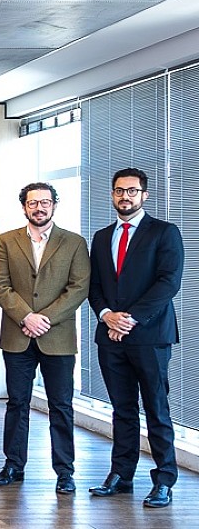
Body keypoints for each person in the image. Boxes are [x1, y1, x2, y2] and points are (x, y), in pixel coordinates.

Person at [87, 168, 183, 508]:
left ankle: (164, 481)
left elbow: (168, 283)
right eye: (119, 191)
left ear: (144, 195)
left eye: (131, 191)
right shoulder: (101, 237)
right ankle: (121, 475)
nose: (124, 196)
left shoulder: (164, 232)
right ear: (112, 194)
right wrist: (106, 315)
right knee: (122, 409)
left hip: (150, 336)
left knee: (156, 408)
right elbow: (95, 286)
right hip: (110, 338)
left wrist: (129, 319)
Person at [0, 183, 89, 494]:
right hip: (17, 335)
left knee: (61, 406)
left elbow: (79, 288)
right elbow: (0, 285)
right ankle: (13, 465)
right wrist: (26, 317)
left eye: (45, 202)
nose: (39, 208)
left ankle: (65, 471)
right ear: (24, 207)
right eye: (33, 203)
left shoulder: (74, 242)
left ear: (54, 205)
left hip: (57, 337)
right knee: (17, 403)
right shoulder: (6, 241)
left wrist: (44, 318)